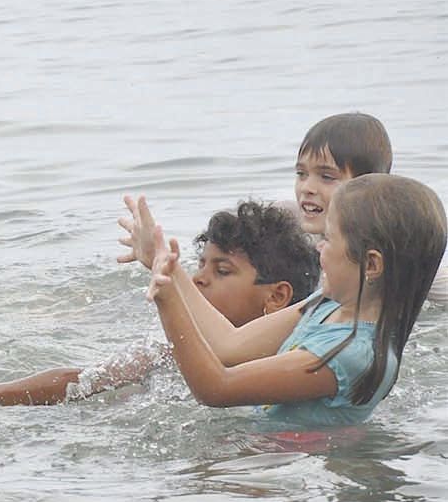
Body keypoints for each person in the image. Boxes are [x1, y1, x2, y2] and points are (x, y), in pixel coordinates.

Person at [0, 200, 318, 405]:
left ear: (277, 296)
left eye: (222, 271)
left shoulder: (294, 356)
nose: (197, 279)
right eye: (199, 265)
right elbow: (81, 381)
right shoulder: (170, 354)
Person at [138, 175, 445, 426]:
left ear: (372, 265)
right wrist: (167, 267)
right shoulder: (325, 303)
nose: (319, 248)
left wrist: (168, 300)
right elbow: (228, 347)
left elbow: (216, 388)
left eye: (329, 239)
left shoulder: (354, 354)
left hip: (281, 470)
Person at [287, 111, 446, 302]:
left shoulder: (397, 256)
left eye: (327, 177)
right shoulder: (287, 222)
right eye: (301, 174)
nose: (307, 188)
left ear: (369, 185)